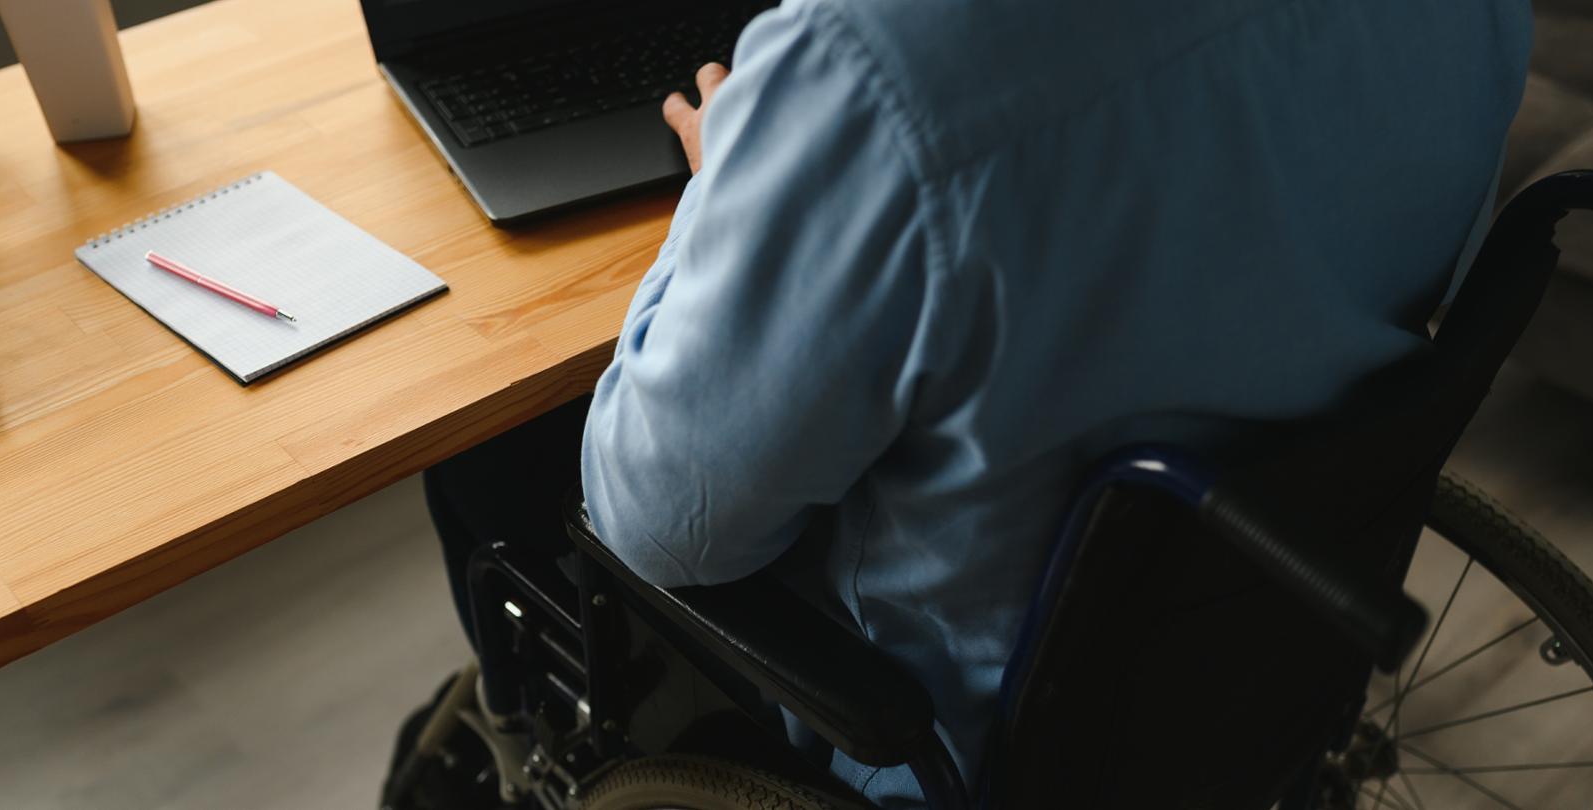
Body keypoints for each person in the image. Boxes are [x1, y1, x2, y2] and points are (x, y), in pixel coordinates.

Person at [415, 0, 1533, 806]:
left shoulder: (877, 63)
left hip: (953, 743)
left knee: (490, 451)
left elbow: (655, 524)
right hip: (1259, 645)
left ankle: (542, 761)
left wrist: (724, 203)